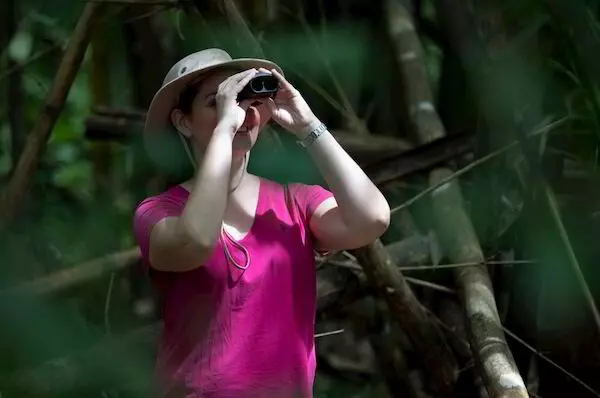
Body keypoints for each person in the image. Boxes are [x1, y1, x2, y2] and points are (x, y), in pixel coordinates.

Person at [133, 48, 390, 398]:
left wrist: (308, 125)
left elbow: (371, 219)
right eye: (217, 102)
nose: (239, 112)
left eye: (246, 101)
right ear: (183, 122)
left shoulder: (296, 201)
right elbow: (195, 242)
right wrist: (225, 131)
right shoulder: (159, 213)